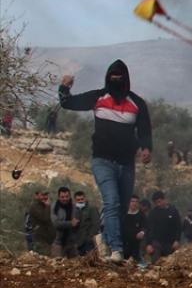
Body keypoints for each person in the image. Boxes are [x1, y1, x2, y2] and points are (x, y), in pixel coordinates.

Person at [58, 60, 153, 263]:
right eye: (112, 76)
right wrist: (64, 87)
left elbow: (145, 130)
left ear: (126, 79)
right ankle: (117, 250)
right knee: (112, 202)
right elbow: (68, 103)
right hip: (102, 161)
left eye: (119, 77)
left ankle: (105, 239)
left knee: (121, 208)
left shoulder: (137, 103)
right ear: (107, 78)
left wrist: (146, 149)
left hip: (126, 164)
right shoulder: (98, 97)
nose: (116, 80)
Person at [145, 190, 181, 264]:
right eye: (156, 203)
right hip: (156, 243)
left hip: (170, 243)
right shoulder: (153, 213)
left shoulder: (173, 211)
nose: (158, 204)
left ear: (164, 199)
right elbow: (149, 230)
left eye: (159, 201)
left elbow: (178, 226)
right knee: (155, 263)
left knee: (170, 264)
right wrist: (148, 244)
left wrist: (177, 240)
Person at [72, 190, 101, 258]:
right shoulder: (74, 210)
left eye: (82, 199)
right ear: (75, 200)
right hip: (78, 243)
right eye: (78, 200)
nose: (80, 201)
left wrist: (90, 237)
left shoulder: (92, 208)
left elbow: (96, 224)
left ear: (85, 198)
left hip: (89, 242)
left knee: (90, 259)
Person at [51, 186, 78, 258]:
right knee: (58, 263)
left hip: (72, 243)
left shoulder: (74, 207)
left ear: (70, 196)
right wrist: (70, 223)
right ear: (58, 197)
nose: (65, 199)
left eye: (67, 196)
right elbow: (56, 224)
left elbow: (76, 223)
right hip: (58, 242)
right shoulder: (55, 207)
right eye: (62, 197)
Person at [25, 190, 53, 254]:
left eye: (46, 195)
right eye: (42, 195)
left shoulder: (43, 205)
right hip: (39, 238)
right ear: (36, 196)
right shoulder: (34, 206)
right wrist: (47, 206)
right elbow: (45, 219)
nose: (45, 197)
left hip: (46, 238)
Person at [121, 196, 146, 263]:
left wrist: (142, 232)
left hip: (137, 244)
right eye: (132, 201)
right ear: (128, 203)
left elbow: (145, 226)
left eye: (136, 202)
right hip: (124, 244)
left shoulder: (141, 214)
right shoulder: (123, 214)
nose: (134, 203)